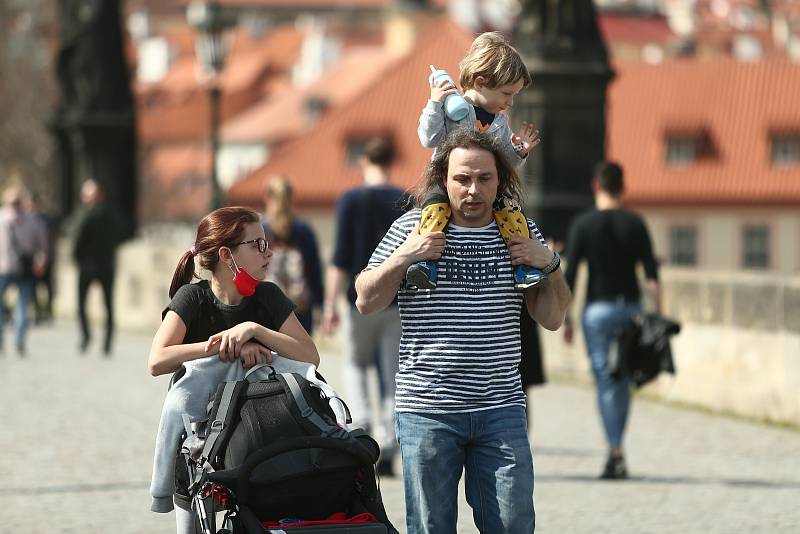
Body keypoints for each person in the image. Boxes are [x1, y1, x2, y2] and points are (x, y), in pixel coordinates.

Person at [355, 129, 570, 534]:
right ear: (443, 180)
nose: (473, 190)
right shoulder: (413, 228)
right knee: (431, 526)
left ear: (501, 181)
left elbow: (553, 317)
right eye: (462, 179)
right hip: (428, 409)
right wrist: (406, 255)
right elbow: (365, 299)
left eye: (483, 179)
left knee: (513, 524)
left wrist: (551, 265)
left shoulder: (520, 231)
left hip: (500, 408)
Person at [147, 207, 323, 532]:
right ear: (227, 256)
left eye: (266, 242)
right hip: (197, 444)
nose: (268, 252)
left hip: (255, 441)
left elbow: (310, 355)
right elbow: (157, 360)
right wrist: (224, 348)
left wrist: (256, 332)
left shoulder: (268, 297)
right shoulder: (193, 298)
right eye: (257, 244)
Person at [410, 31, 544, 290]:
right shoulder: (454, 109)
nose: (510, 102)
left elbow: (505, 163)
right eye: (506, 93)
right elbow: (429, 138)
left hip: (486, 188)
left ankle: (523, 269)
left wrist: (519, 152)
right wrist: (435, 102)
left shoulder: (501, 123)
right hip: (445, 183)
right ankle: (425, 265)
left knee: (513, 217)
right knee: (433, 214)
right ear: (481, 82)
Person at [562, 160, 661, 480]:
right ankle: (617, 449)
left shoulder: (583, 225)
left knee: (606, 381)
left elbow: (571, 275)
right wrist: (656, 317)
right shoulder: (636, 224)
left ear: (596, 187)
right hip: (631, 311)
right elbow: (652, 277)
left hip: (597, 313)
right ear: (623, 187)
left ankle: (614, 450)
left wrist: (567, 320)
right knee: (624, 380)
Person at [321, 137, 409, 476]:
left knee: (356, 364)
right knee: (393, 374)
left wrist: (329, 304)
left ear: (363, 163)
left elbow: (340, 258)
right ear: (391, 162)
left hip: (358, 301)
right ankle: (387, 442)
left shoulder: (350, 200)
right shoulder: (405, 199)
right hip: (397, 300)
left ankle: (361, 426)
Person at [261, 175, 324, 335]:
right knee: (299, 358)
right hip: (299, 310)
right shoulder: (303, 230)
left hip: (266, 310)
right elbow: (314, 271)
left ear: (267, 197)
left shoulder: (259, 229)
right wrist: (320, 304)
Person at [72, 179, 128, 355]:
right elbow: (125, 231)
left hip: (88, 264)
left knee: (82, 304)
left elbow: (77, 238)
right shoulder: (112, 214)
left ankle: (86, 336)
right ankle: (106, 343)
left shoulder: (85, 214)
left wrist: (76, 256)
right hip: (106, 263)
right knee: (108, 305)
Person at [0, 186, 48, 356]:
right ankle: (11, 340)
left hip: (15, 268)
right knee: (19, 305)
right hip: (11, 268)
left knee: (21, 305)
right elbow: (43, 246)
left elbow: (42, 246)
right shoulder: (30, 221)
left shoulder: (30, 221)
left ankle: (15, 340)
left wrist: (40, 261)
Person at [28, 192, 57, 324]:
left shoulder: (46, 219)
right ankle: (38, 311)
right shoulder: (26, 219)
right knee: (33, 287)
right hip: (31, 259)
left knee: (48, 285)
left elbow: (53, 237)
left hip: (47, 257)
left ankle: (48, 309)